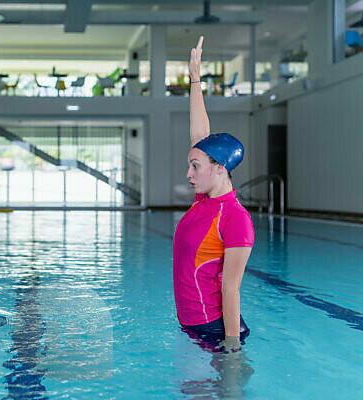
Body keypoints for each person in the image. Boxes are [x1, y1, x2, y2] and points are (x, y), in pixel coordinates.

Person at [173, 36, 255, 353]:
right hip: (196, 326)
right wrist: (195, 80)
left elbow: (231, 290)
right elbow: (200, 137)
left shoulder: (235, 218)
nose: (188, 174)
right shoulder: (205, 201)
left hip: (214, 333)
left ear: (219, 167)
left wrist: (231, 350)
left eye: (195, 167)